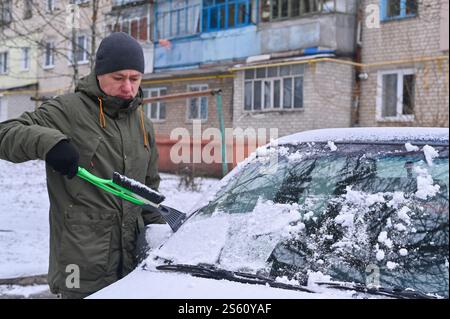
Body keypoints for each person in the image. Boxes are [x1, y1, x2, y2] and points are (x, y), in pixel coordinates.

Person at [0, 32, 165, 299]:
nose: (128, 88)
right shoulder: (68, 110)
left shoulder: (142, 123)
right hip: (81, 260)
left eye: (135, 79)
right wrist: (49, 142)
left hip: (132, 262)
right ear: (100, 74)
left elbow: (148, 192)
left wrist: (159, 237)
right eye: (119, 78)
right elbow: (5, 133)